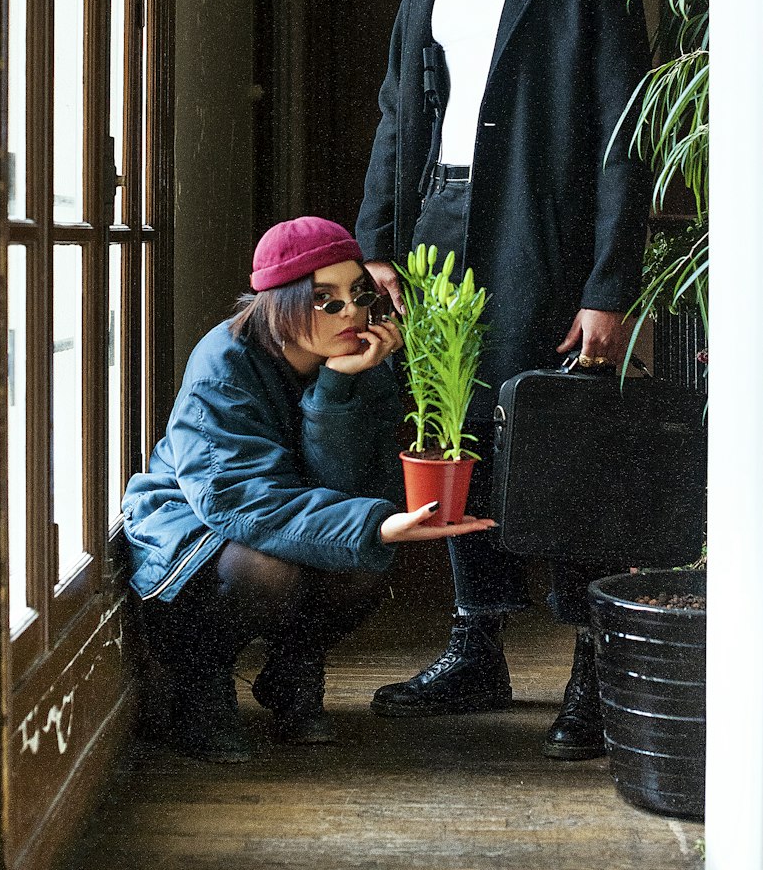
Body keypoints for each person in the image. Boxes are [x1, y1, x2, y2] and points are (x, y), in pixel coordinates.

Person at [356, 0, 651, 759]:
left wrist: (611, 286)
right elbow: (401, 110)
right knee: (453, 438)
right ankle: (474, 649)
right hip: (438, 218)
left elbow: (625, 131)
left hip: (543, 225)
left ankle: (591, 677)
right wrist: (377, 246)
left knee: (558, 441)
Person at [122, 216, 495, 762]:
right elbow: (239, 501)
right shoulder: (223, 363)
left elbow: (348, 485)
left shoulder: (360, 359)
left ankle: (292, 670)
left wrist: (337, 386)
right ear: (281, 303)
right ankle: (198, 689)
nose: (352, 312)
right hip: (193, 522)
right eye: (327, 299)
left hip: (284, 510)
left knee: (362, 564)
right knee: (271, 569)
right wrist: (373, 524)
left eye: (358, 293)